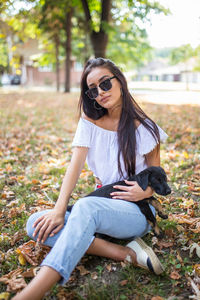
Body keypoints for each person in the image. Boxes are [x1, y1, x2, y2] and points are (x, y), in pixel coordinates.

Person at [13, 58, 168, 300]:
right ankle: (124, 253)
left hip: (136, 213)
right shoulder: (89, 122)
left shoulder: (144, 128)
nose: (100, 92)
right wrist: (58, 210)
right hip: (101, 205)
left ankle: (32, 293)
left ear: (120, 81)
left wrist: (146, 192)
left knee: (86, 207)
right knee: (36, 222)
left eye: (105, 83)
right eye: (93, 89)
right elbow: (73, 168)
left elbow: (156, 176)